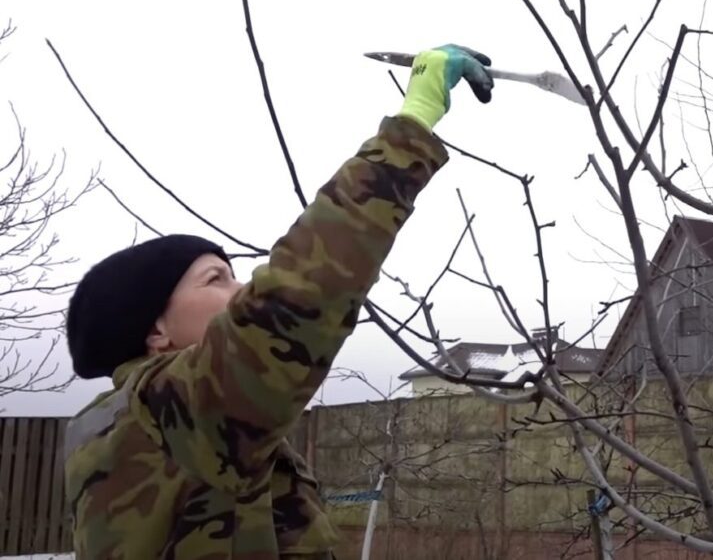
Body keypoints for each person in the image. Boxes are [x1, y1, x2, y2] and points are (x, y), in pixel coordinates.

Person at [61, 44, 495, 559]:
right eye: (215, 279)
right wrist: (413, 123)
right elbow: (296, 297)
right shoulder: (166, 410)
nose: (241, 291)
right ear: (155, 329)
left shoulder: (141, 424)